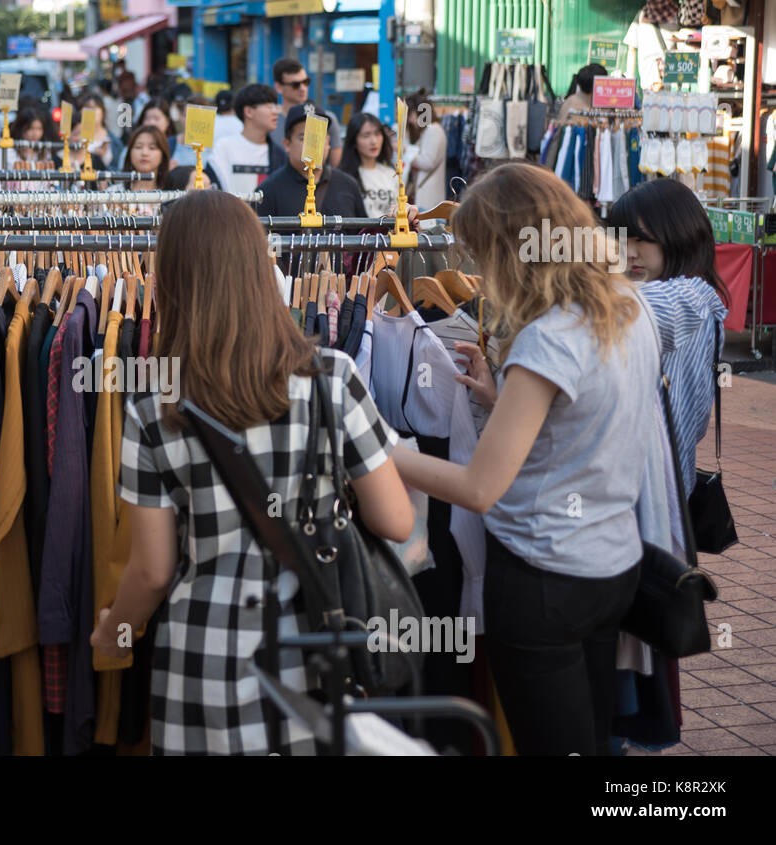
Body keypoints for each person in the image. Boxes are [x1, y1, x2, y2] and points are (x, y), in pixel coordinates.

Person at [88, 189, 413, 755]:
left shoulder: (154, 406)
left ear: (173, 281)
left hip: (206, 661)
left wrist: (114, 634)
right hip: (318, 648)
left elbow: (153, 572)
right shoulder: (331, 378)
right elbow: (396, 521)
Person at [391, 163, 664, 756]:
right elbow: (588, 421)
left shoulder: (548, 337)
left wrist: (377, 452)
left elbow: (478, 487)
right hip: (612, 565)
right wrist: (503, 398)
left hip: (544, 578)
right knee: (587, 739)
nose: (478, 273)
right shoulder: (625, 309)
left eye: (483, 255)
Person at [610, 178, 729, 493]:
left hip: (645, 496)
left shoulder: (686, 298)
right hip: (664, 488)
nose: (630, 253)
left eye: (643, 240)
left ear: (679, 235)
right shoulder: (699, 299)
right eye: (622, 240)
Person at [255, 104, 364, 219]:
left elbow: (362, 234)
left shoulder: (348, 184)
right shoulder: (268, 190)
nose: (312, 144)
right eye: (304, 138)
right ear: (287, 144)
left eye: (318, 137)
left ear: (328, 142)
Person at [209, 83, 285, 195]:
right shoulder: (223, 148)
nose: (275, 112)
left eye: (275, 106)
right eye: (269, 106)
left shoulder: (279, 155)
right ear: (248, 111)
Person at [269, 57, 342, 168]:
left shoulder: (325, 118)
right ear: (279, 87)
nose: (302, 88)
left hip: (317, 182)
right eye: (295, 84)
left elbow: (336, 165)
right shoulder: (271, 120)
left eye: (306, 82)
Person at [340, 112, 397, 219]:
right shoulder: (345, 178)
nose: (373, 141)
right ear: (354, 141)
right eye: (366, 135)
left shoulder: (391, 173)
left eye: (377, 134)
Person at [402, 89, 447, 217]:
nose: (410, 120)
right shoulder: (427, 131)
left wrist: (405, 150)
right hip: (425, 199)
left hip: (428, 200)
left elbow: (428, 162)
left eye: (411, 115)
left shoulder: (433, 130)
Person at [120, 124, 170, 190]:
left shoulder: (173, 195)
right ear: (129, 153)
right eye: (138, 147)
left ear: (163, 155)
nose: (144, 153)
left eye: (152, 148)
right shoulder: (113, 193)